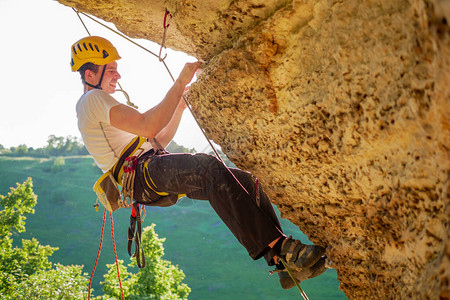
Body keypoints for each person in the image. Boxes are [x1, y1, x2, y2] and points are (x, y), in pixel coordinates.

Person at [71, 36, 327, 289]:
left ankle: (282, 263)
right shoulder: (92, 99)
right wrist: (180, 82)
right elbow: (148, 126)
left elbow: (156, 140)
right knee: (207, 169)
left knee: (245, 181)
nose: (118, 76)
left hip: (148, 170)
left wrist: (179, 108)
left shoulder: (96, 104)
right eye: (111, 70)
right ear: (90, 75)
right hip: (141, 174)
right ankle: (284, 249)